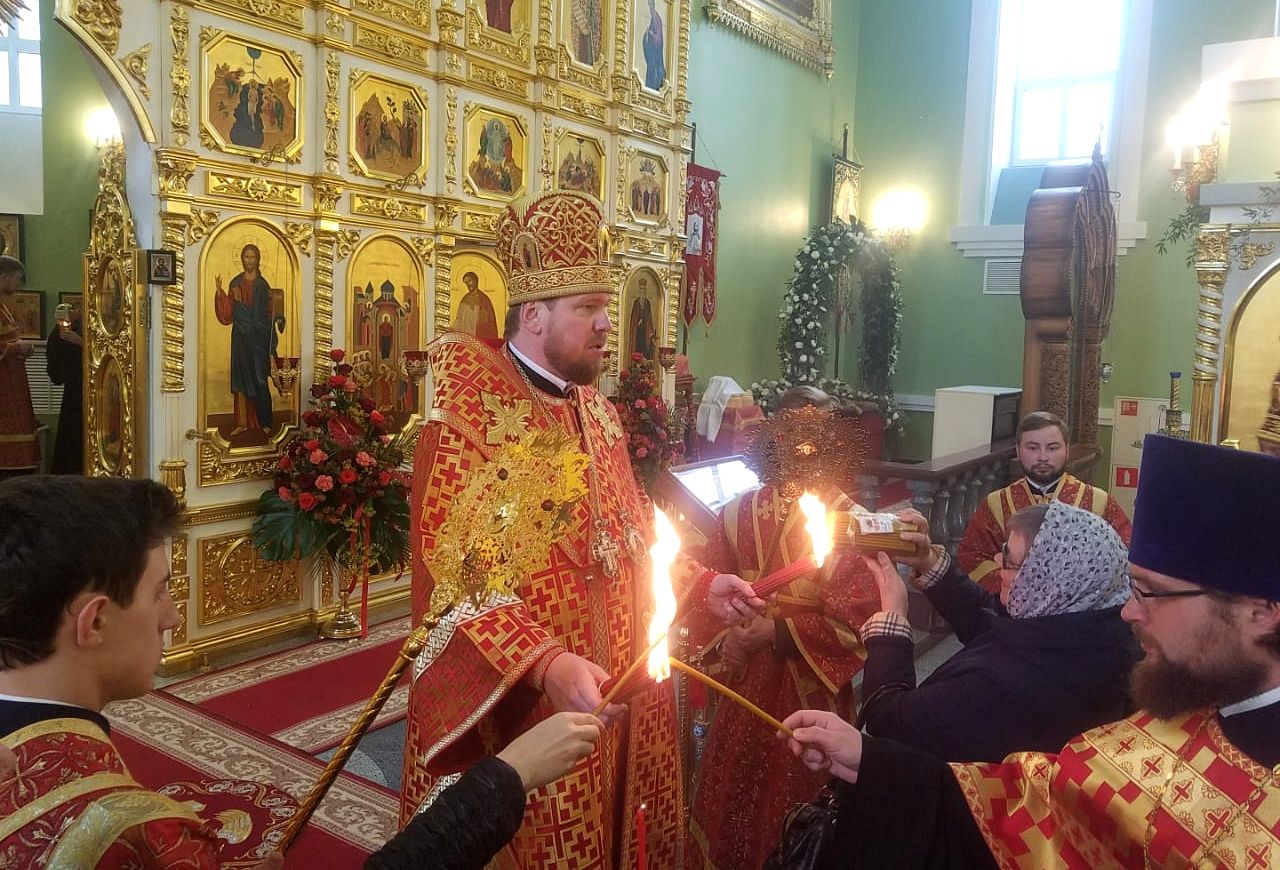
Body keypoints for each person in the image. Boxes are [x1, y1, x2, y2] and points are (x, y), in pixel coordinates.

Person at [402, 191, 762, 869]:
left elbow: (632, 538)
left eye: (606, 306)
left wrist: (700, 584)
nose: (606, 323)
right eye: (587, 308)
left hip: (625, 689)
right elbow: (455, 588)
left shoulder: (597, 411)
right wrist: (546, 664)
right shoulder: (467, 424)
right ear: (533, 314)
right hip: (536, 711)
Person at [0, 475, 608, 869]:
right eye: (159, 592)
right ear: (95, 622)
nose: (173, 616)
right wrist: (509, 776)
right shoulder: (124, 834)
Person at [779, 435, 1280, 868]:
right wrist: (866, 759)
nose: (1128, 612)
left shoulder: (1085, 672)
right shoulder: (1175, 694)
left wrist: (890, 639)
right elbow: (1022, 804)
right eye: (1131, 588)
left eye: (1150, 592)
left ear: (1260, 612)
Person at [686, 386, 881, 870]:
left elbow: (858, 621)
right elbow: (705, 595)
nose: (803, 444)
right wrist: (729, 639)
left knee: (799, 798)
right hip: (742, 686)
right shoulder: (737, 512)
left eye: (815, 432)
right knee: (730, 798)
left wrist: (772, 634)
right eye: (791, 432)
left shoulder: (849, 523)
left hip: (807, 692)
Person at [857, 500, 1137, 762]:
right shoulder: (1087, 630)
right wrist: (928, 561)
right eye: (1004, 549)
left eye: (1009, 559)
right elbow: (992, 625)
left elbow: (888, 719)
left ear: (1050, 583)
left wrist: (892, 621)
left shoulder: (1004, 685)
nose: (996, 560)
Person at [957, 410, 1131, 592]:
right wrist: (1018, 586)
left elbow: (1124, 556)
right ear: (1018, 451)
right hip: (1012, 604)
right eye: (1032, 448)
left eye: (1052, 448)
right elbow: (972, 557)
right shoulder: (996, 504)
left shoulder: (1098, 502)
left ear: (1067, 450)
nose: (1043, 457)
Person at [213, 243, 278, 437]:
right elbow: (227, 314)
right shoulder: (235, 283)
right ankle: (242, 423)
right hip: (240, 339)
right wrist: (220, 293)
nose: (249, 260)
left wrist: (270, 324)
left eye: (252, 257)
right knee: (241, 381)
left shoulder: (262, 285)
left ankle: (265, 421)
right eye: (246, 257)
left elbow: (269, 313)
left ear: (257, 260)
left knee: (259, 379)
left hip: (258, 341)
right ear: (242, 259)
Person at [0, 255, 38, 479]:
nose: (18, 284)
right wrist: (17, 348)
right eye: (17, 279)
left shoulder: (4, 306)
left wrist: (23, 347)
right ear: (4, 277)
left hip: (12, 380)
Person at [46, 308, 85, 474]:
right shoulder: (72, 324)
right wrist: (62, 333)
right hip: (74, 393)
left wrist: (80, 342)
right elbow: (57, 372)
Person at [451, 270, 499, 339]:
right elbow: (459, 319)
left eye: (469, 281)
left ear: (475, 281)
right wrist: (452, 328)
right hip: (466, 337)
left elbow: (491, 322)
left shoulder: (484, 299)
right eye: (466, 283)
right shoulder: (464, 299)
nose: (468, 284)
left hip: (479, 337)